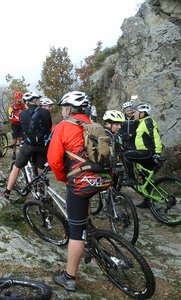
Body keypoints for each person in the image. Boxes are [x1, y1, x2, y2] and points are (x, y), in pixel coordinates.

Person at [47, 91, 112, 292]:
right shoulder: (96, 126)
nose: (63, 111)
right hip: (104, 179)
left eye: (64, 108)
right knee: (85, 203)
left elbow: (54, 160)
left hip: (81, 182)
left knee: (76, 232)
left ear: (70, 109)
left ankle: (69, 277)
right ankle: (89, 231)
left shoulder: (63, 127)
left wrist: (64, 178)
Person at [0, 91, 52, 199]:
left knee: (17, 167)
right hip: (43, 146)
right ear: (37, 101)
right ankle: (42, 192)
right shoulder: (46, 112)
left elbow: (24, 129)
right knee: (40, 169)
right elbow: (49, 127)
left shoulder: (22, 114)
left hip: (29, 145)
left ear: (27, 102)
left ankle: (7, 192)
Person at [122, 103, 163, 208]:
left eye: (136, 112)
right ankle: (147, 201)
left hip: (148, 152)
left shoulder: (147, 122)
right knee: (146, 177)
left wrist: (157, 153)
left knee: (126, 155)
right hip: (145, 152)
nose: (133, 114)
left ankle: (131, 178)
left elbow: (156, 137)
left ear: (142, 113)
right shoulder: (141, 122)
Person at [8, 91, 26, 160]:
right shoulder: (11, 107)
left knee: (21, 139)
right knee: (14, 139)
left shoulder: (24, 105)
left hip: (21, 125)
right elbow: (11, 118)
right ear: (15, 99)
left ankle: (21, 153)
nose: (19, 102)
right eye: (18, 100)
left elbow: (27, 112)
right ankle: (14, 153)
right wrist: (20, 118)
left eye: (20, 100)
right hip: (14, 125)